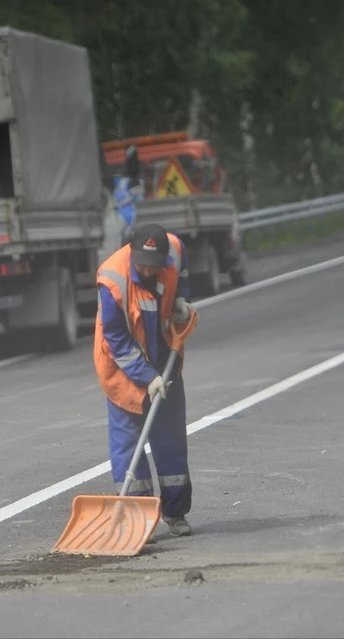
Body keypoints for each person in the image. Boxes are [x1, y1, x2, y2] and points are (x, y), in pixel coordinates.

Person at [93, 222, 196, 536]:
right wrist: (147, 377)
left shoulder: (174, 251)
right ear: (132, 254)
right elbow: (117, 340)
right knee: (128, 449)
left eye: (155, 266)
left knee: (171, 439)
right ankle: (138, 523)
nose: (149, 272)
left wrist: (180, 298)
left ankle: (175, 513)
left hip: (166, 360)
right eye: (142, 266)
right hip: (123, 371)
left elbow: (184, 276)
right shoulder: (112, 281)